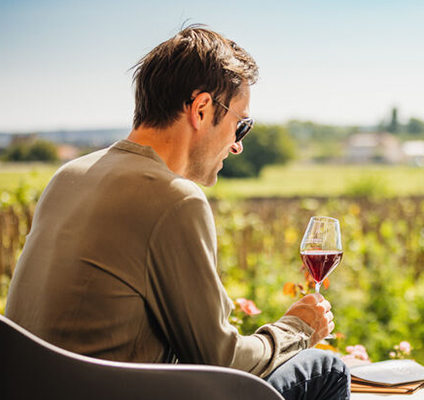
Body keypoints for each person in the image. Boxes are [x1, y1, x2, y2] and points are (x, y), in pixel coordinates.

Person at [5, 26, 350, 400]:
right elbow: (220, 361)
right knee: (326, 369)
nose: (236, 146)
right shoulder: (175, 198)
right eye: (241, 125)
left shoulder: (69, 175)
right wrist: (297, 328)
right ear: (201, 109)